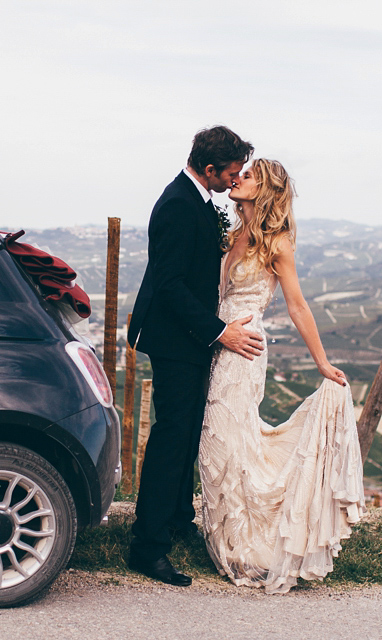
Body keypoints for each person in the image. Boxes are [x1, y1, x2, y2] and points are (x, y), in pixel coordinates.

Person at [199, 158, 366, 594]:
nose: (238, 178)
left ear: (265, 190)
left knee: (230, 438)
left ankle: (253, 546)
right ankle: (232, 538)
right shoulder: (232, 235)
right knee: (218, 442)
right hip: (218, 343)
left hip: (244, 351)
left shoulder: (277, 244)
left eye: (249, 175)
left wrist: (322, 363)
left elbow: (297, 305)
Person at [126, 126, 263, 586]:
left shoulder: (196, 199)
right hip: (174, 340)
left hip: (188, 339)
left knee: (186, 436)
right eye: (231, 171)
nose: (235, 178)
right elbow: (169, 286)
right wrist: (219, 331)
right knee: (170, 441)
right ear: (209, 169)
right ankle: (148, 547)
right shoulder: (179, 206)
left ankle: (174, 521)